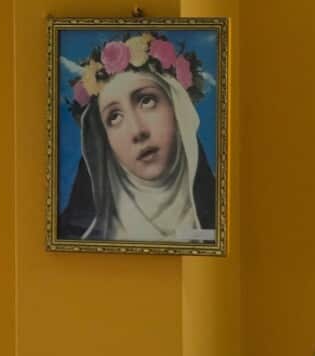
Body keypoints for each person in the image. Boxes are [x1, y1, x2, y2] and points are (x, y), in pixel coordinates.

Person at [57, 32, 216, 241]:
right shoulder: (74, 236)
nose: (137, 131)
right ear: (104, 140)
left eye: (147, 100)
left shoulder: (226, 219)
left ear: (178, 107)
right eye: (114, 117)